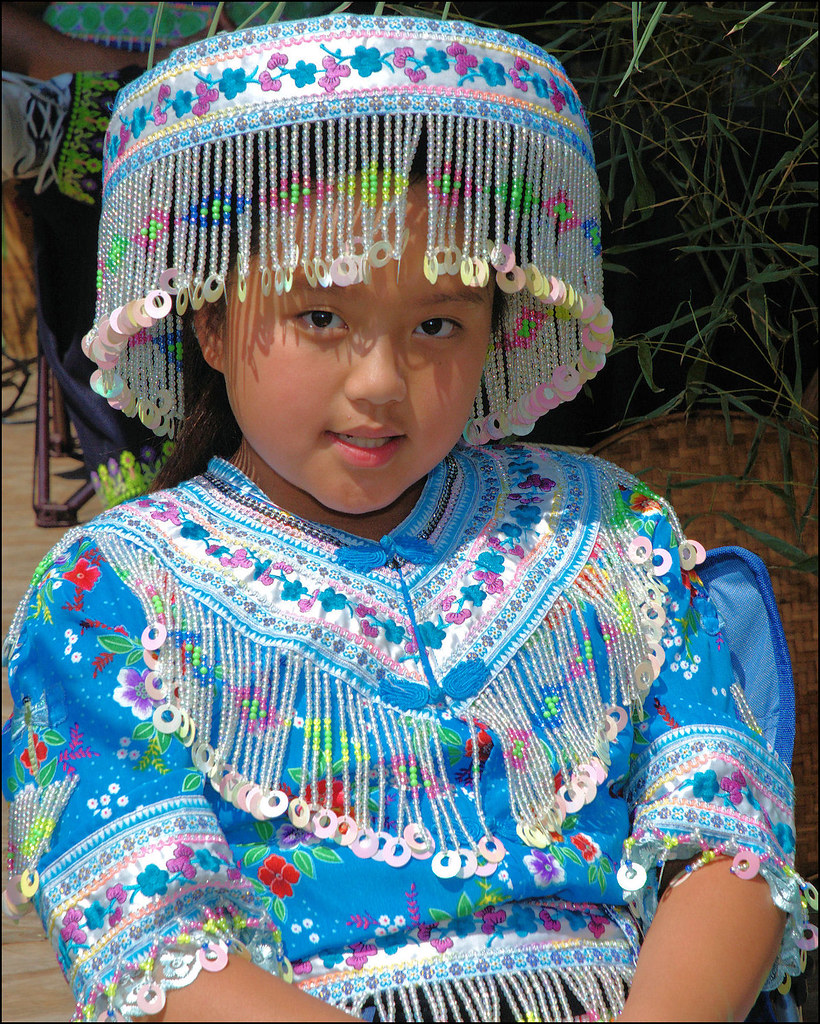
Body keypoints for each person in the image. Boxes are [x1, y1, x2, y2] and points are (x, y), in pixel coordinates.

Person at [2, 14, 814, 1023]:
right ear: (206, 319)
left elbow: (727, 829)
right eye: (321, 318)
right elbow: (148, 936)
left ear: (494, 326)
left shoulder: (604, 532)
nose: (382, 382)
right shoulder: (113, 591)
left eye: (436, 324)